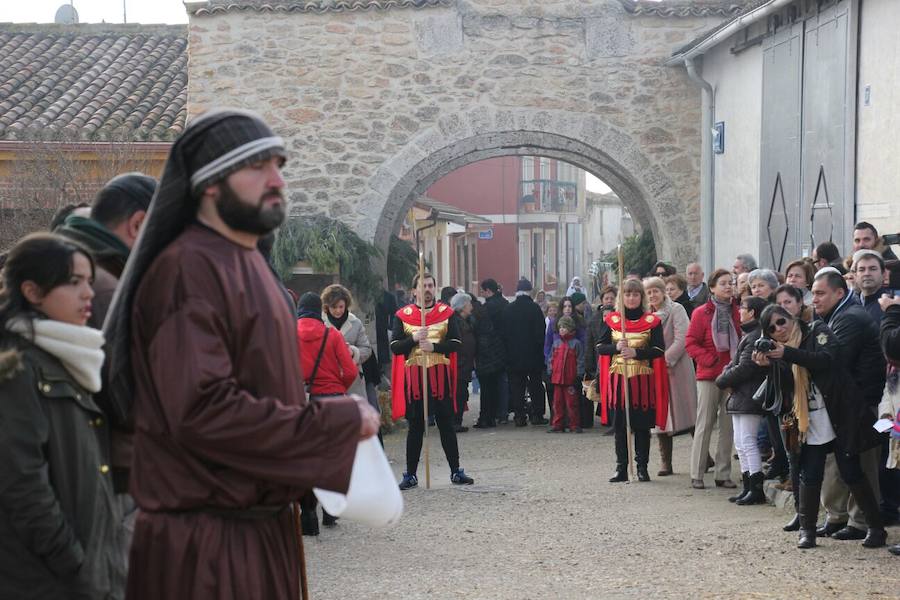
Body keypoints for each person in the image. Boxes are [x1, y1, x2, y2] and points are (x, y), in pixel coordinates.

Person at [101, 109, 378, 599]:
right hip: (205, 548)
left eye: (278, 165)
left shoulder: (245, 263)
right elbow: (201, 410)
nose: (276, 180)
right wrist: (332, 422)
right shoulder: (188, 269)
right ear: (210, 183)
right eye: (257, 167)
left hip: (255, 530)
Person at [0, 233, 124, 599]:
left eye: (88, 280)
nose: (88, 293)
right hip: (42, 578)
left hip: (77, 572)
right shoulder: (16, 368)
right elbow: (22, 484)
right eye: (73, 283)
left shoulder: (68, 359)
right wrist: (73, 560)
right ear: (32, 292)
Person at [54, 172, 156, 567]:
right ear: (138, 224)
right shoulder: (104, 288)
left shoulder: (55, 269)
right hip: (104, 482)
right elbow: (130, 401)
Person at [754, 305, 884, 549]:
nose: (779, 329)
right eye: (771, 329)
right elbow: (785, 389)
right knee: (810, 475)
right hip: (808, 420)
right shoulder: (779, 354)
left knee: (851, 472)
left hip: (839, 414)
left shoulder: (817, 331)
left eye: (781, 322)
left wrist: (786, 353)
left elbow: (827, 360)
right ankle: (807, 531)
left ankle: (876, 528)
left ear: (791, 317)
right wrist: (769, 365)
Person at [809, 269, 886, 544]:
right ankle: (843, 517)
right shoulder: (835, 316)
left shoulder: (849, 318)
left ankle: (862, 521)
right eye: (813, 293)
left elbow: (832, 360)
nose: (814, 299)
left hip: (865, 405)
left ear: (839, 293)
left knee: (862, 464)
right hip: (849, 403)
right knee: (844, 463)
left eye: (820, 293)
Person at [392, 273, 473, 489]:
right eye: (423, 285)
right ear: (414, 290)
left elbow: (456, 342)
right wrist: (414, 339)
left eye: (430, 285)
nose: (427, 289)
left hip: (440, 378)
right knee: (416, 427)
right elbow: (395, 346)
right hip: (415, 381)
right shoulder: (403, 315)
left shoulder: (446, 314)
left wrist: (435, 347)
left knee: (446, 424)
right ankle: (410, 474)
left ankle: (455, 471)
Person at [296, 292, 359, 531]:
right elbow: (350, 370)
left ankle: (307, 512)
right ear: (319, 310)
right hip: (331, 400)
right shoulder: (331, 334)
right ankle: (330, 511)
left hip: (302, 401)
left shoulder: (289, 334)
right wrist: (337, 389)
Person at [597, 279, 668, 482]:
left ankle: (642, 467)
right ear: (622, 297)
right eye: (627, 294)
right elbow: (600, 347)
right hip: (618, 380)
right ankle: (621, 468)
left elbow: (658, 350)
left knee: (642, 427)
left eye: (635, 294)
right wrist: (616, 348)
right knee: (620, 426)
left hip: (642, 382)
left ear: (641, 297)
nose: (631, 298)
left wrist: (636, 352)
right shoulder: (611, 320)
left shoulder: (652, 321)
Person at [687, 268, 741, 490]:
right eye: (723, 283)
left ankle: (723, 473)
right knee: (705, 423)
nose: (728, 286)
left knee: (728, 426)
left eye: (731, 282)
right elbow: (690, 343)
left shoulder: (738, 311)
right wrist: (708, 359)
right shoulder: (701, 313)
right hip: (708, 375)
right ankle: (697, 473)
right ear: (712, 287)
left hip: (732, 374)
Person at [716, 296, 770, 505]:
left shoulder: (755, 335)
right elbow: (734, 363)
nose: (739, 311)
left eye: (743, 308)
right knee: (741, 442)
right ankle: (748, 484)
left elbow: (746, 367)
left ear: (753, 312)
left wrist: (722, 379)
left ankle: (755, 487)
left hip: (750, 394)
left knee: (748, 441)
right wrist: (727, 372)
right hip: (742, 395)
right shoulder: (750, 334)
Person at [645, 277, 696, 476]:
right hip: (654, 371)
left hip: (677, 368)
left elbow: (683, 337)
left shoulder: (676, 309)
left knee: (689, 412)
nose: (652, 295)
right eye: (648, 292)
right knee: (661, 416)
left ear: (663, 291)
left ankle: (704, 456)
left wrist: (665, 359)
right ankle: (666, 462)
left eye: (656, 291)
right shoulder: (646, 315)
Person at [503, 278, 549, 427]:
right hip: (533, 356)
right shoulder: (535, 309)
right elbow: (541, 334)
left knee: (517, 387)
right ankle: (537, 414)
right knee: (535, 385)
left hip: (513, 356)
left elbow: (504, 334)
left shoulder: (509, 309)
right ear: (530, 291)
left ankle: (519, 416)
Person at [322, 284, 371, 399]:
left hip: (353, 381)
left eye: (341, 306)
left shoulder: (356, 323)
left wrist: (353, 352)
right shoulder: (320, 323)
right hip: (328, 379)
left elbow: (367, 349)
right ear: (327, 307)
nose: (338, 311)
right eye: (334, 307)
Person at [879, 293, 900, 554]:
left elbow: (892, 345)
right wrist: (885, 414)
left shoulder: (892, 314)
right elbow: (889, 387)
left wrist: (892, 312)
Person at [546, 315, 585, 433]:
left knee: (571, 403)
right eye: (561, 327)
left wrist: (579, 374)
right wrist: (550, 371)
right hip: (557, 379)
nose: (562, 329)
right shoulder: (556, 343)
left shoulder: (576, 344)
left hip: (570, 379)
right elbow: (551, 359)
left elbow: (580, 360)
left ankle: (574, 424)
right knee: (557, 403)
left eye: (564, 327)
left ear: (570, 329)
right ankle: (558, 424)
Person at [472, 298, 506, 429]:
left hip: (485, 361)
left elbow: (481, 345)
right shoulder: (488, 323)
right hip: (494, 360)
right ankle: (491, 417)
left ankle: (485, 418)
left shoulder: (478, 326)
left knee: (486, 391)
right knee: (491, 390)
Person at [480, 278, 510, 423]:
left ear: (488, 291)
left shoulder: (486, 308)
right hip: (505, 347)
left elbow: (484, 330)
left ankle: (492, 413)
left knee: (491, 385)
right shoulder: (505, 304)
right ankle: (503, 413)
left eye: (483, 291)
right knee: (503, 383)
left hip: (490, 350)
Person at [450, 292, 477, 433]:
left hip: (465, 364)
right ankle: (455, 422)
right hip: (459, 364)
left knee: (462, 393)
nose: (471, 307)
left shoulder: (466, 321)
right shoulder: (455, 322)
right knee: (459, 393)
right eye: (469, 304)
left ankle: (457, 421)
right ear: (462, 307)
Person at [853, 250, 892, 323]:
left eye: (873, 269)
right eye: (861, 270)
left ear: (883, 274)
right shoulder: (848, 304)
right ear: (855, 276)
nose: (867, 273)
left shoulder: (892, 306)